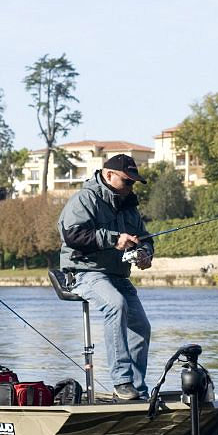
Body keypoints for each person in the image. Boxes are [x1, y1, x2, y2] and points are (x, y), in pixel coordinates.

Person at [58, 154, 155, 401]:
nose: (130, 187)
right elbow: (72, 235)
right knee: (116, 304)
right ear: (108, 174)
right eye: (127, 181)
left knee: (141, 327)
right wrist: (114, 239)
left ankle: (136, 389)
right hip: (85, 271)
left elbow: (145, 237)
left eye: (134, 182)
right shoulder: (85, 199)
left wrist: (144, 253)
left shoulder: (129, 205)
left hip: (117, 274)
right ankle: (122, 383)